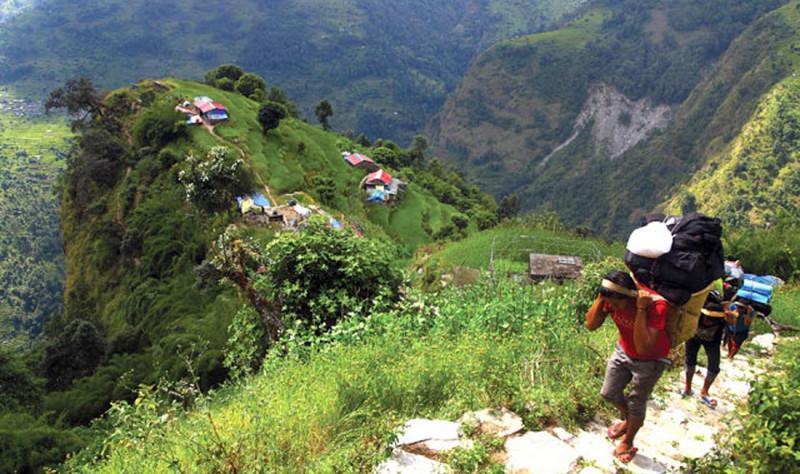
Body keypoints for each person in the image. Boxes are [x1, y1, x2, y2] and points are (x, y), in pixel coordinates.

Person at [585, 271, 671, 464]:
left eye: (616, 304)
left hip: (651, 359)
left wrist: (641, 310)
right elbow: (591, 325)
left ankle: (628, 441)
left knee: (636, 402)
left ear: (629, 296)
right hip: (623, 350)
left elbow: (643, 347)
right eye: (610, 304)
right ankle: (629, 420)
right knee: (608, 393)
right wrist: (601, 297)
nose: (612, 308)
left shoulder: (656, 305)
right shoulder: (610, 298)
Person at [682, 291, 726, 408]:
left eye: (713, 319)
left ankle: (704, 391)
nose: (710, 321)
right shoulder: (697, 315)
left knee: (714, 367)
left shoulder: (721, 321)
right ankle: (688, 388)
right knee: (690, 362)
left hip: (712, 342)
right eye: (709, 318)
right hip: (693, 338)